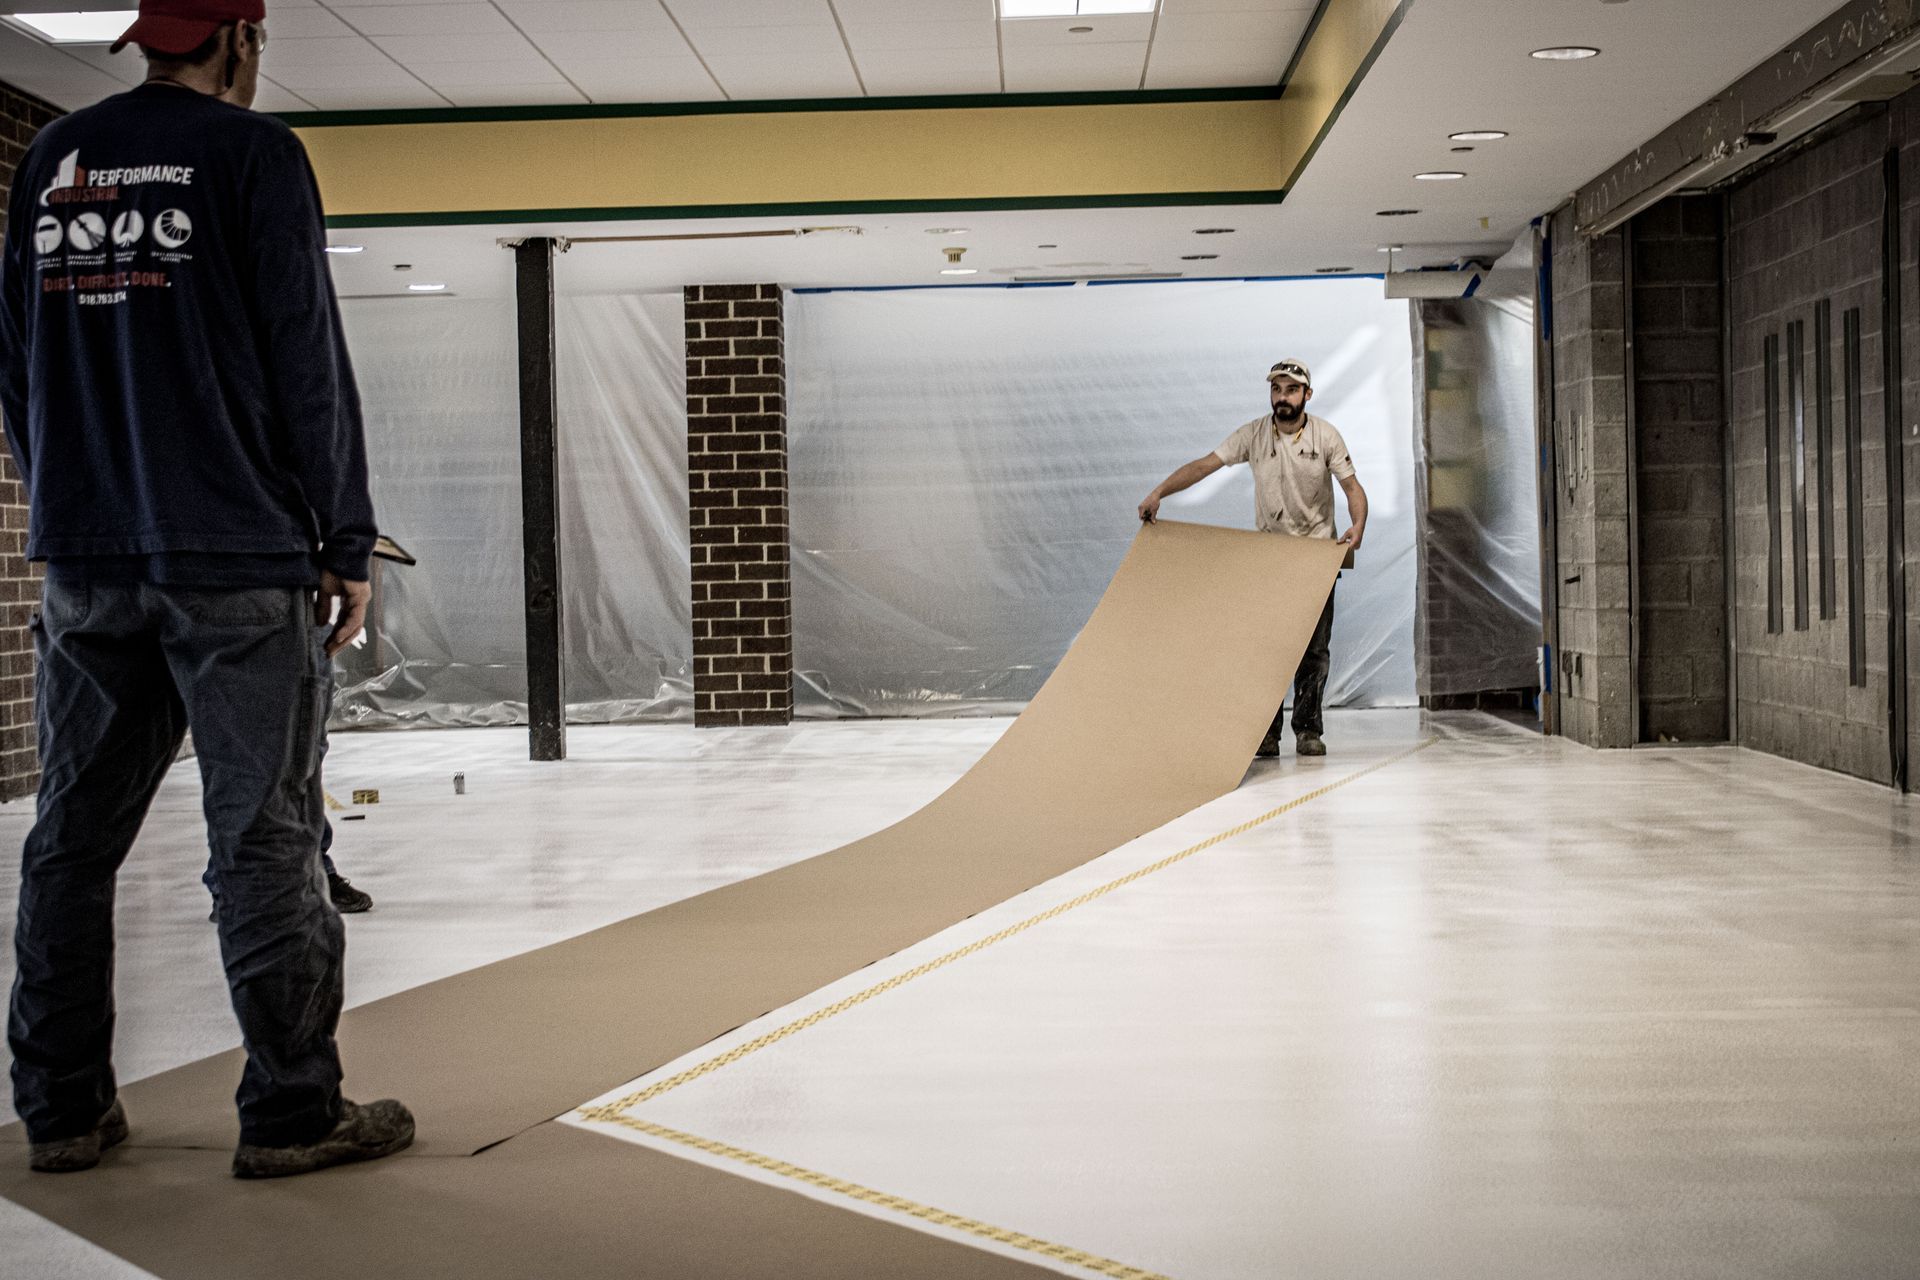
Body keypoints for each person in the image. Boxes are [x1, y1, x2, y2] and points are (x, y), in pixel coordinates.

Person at [1, 0, 412, 1178]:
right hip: (236, 557)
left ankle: (64, 1110)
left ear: (147, 41)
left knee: (70, 842)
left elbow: (17, 355)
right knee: (264, 836)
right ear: (243, 38)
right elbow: (304, 352)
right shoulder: (255, 155)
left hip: (88, 559)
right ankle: (292, 1110)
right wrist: (343, 534)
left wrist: (68, 490)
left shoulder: (52, 160)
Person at [1138, 358, 1369, 758]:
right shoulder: (1254, 435)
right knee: (1268, 650)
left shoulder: (1326, 437)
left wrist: (1358, 525)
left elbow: (1352, 488)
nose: (1283, 397)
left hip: (1316, 556)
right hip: (1269, 557)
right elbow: (1205, 465)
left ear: (1307, 395)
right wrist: (1160, 492)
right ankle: (1266, 734)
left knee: (1314, 650)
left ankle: (1308, 731)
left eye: (1291, 390)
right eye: (1277, 390)